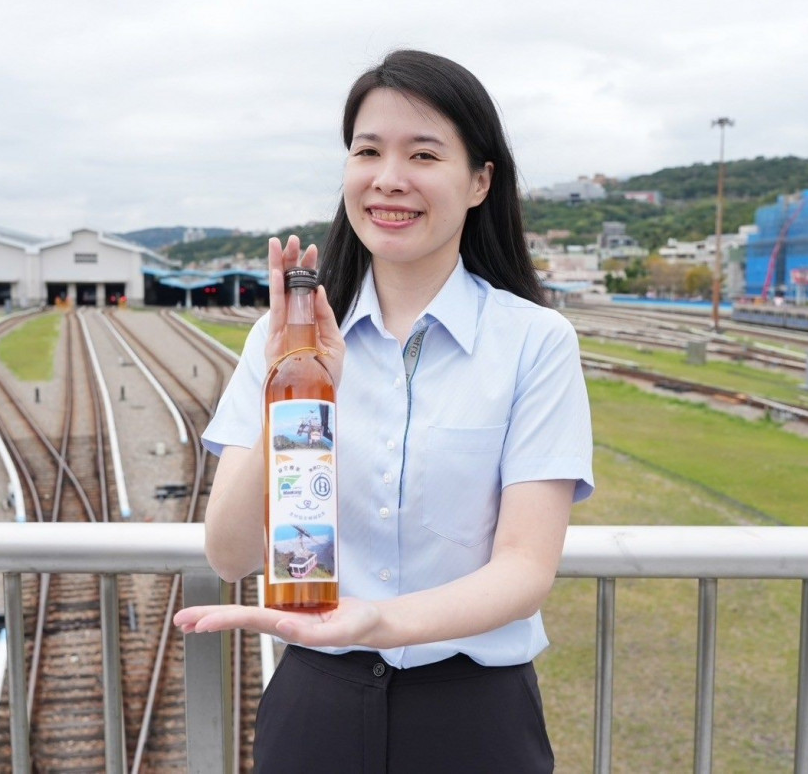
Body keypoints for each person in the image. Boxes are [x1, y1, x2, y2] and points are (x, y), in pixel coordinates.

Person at [174, 49, 593, 773]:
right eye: (368, 150)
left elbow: (525, 566)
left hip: (476, 718)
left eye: (424, 153)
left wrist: (381, 621)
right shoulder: (281, 341)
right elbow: (231, 553)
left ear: (479, 181)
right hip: (316, 708)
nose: (389, 178)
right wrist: (298, 391)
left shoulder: (535, 342)